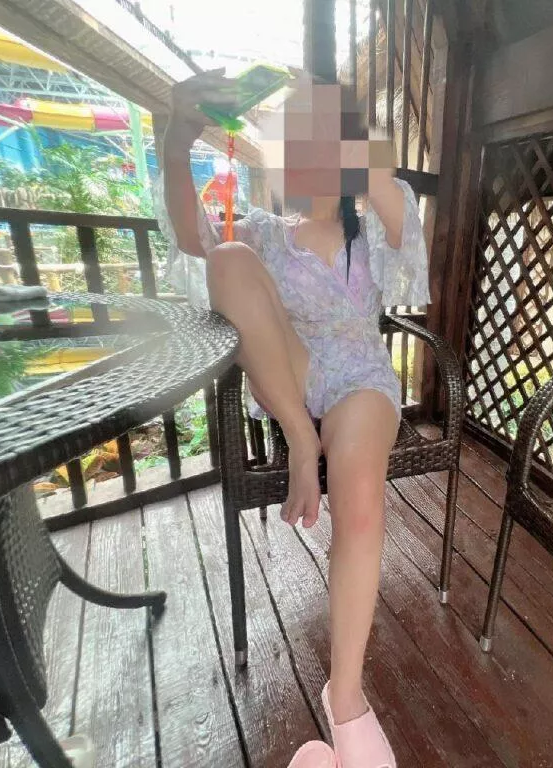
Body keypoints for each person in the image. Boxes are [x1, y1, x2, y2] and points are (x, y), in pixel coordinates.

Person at [158, 69, 430, 768]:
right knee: (228, 257)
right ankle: (300, 441)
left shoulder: (371, 224)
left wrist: (334, 119)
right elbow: (193, 240)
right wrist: (178, 137)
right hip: (294, 378)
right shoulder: (266, 232)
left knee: (362, 500)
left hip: (361, 380)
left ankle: (346, 699)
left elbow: (393, 200)